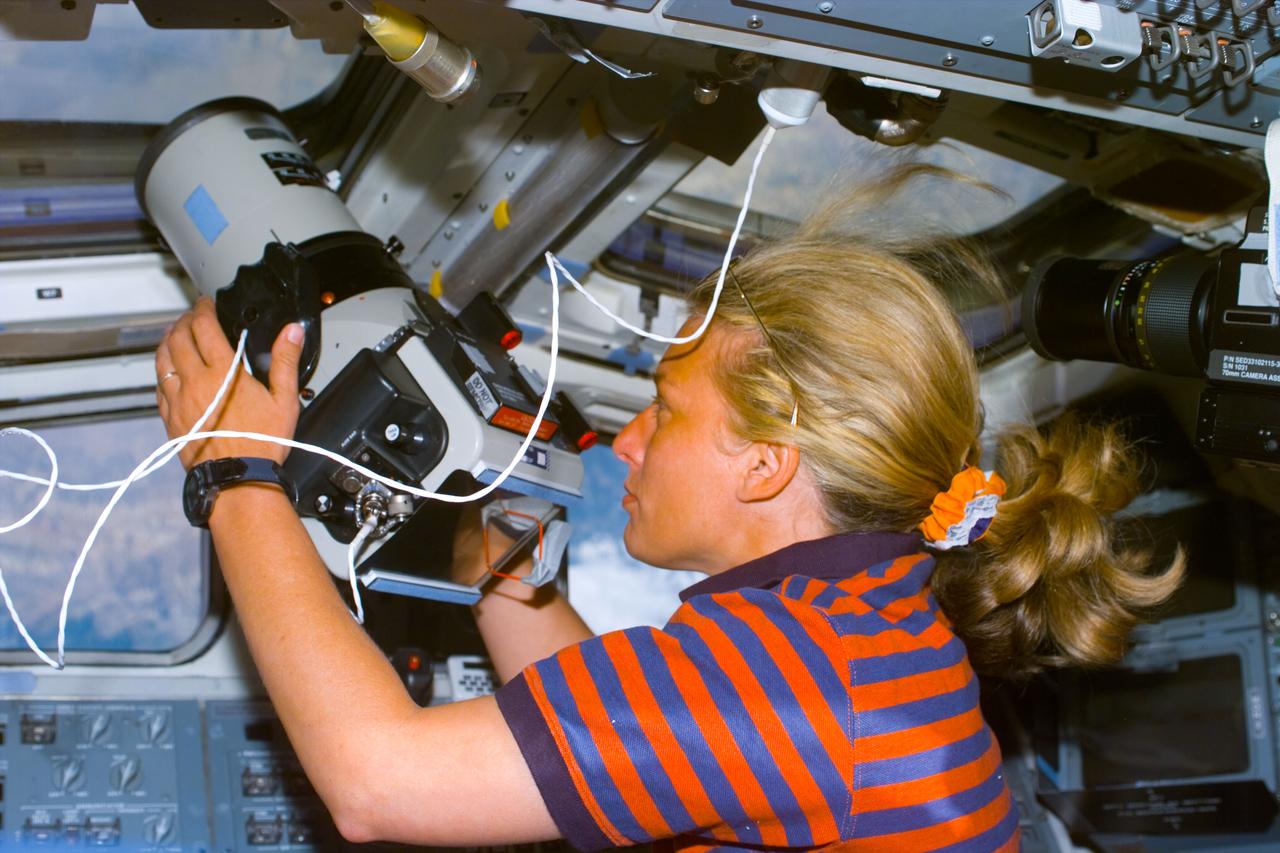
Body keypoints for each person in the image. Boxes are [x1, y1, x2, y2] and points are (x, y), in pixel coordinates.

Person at [154, 173, 1182, 851]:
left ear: (766, 465)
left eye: (664, 408)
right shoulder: (862, 613)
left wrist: (236, 472)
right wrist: (498, 541)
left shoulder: (790, 671)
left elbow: (374, 783)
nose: (629, 439)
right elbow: (627, 723)